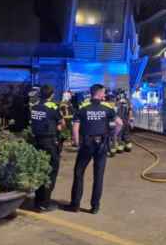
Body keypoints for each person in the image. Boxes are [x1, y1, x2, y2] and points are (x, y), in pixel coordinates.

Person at [66, 84, 123, 214]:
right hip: (102, 144)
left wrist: (76, 142)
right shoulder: (107, 108)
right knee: (98, 176)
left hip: (86, 144)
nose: (104, 95)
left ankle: (75, 205)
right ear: (99, 93)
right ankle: (95, 207)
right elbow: (119, 123)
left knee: (79, 173)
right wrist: (113, 136)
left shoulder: (82, 107)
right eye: (103, 93)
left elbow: (75, 128)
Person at [30, 85, 64, 212]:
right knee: (51, 172)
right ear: (51, 95)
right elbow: (61, 124)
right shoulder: (53, 107)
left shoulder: (35, 107)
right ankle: (45, 203)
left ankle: (38, 200)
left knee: (40, 170)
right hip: (49, 142)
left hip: (36, 141)